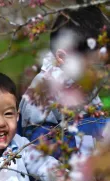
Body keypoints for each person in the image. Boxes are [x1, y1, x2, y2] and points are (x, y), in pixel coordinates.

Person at [19, 6, 110, 158]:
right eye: (96, 67)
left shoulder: (83, 85)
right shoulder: (41, 94)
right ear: (64, 58)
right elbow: (39, 151)